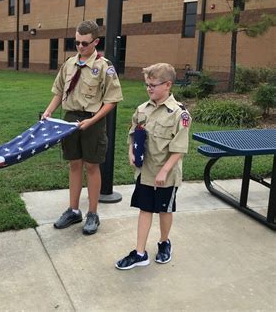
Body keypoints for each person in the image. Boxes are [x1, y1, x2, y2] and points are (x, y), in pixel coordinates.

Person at [42, 20, 123, 235]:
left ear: (95, 42)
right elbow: (59, 91)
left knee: (92, 167)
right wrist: (49, 111)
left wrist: (93, 120)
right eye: (76, 42)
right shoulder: (69, 64)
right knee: (74, 165)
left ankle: (93, 214)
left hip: (92, 121)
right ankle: (74, 210)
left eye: (84, 43)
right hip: (69, 120)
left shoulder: (104, 67)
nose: (80, 47)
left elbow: (112, 100)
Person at [115, 63, 191, 270]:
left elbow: (179, 149)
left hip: (166, 174)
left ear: (167, 85)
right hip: (145, 172)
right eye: (147, 85)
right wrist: (131, 151)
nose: (149, 88)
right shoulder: (142, 110)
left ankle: (164, 242)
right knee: (145, 209)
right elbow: (134, 134)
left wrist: (165, 171)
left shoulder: (179, 114)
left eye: (153, 85)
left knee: (164, 211)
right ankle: (140, 253)